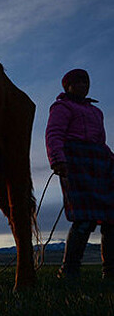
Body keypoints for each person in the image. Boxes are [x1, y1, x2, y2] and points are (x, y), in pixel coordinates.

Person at [46, 69, 114, 280]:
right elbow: (54, 133)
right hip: (75, 162)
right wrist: (57, 159)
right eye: (79, 82)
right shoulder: (61, 107)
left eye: (86, 81)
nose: (84, 85)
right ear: (68, 86)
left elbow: (101, 142)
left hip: (99, 163)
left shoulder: (97, 112)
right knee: (84, 219)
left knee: (111, 218)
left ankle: (110, 272)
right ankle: (69, 271)